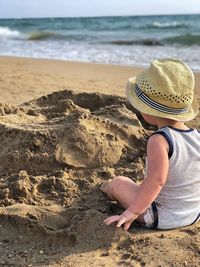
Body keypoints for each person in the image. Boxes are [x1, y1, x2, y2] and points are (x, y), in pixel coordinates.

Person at [101, 58, 200, 231]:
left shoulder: (159, 140)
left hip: (163, 216)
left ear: (149, 111)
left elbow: (157, 180)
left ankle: (106, 188)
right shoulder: (197, 136)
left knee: (119, 183)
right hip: (193, 213)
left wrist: (132, 212)